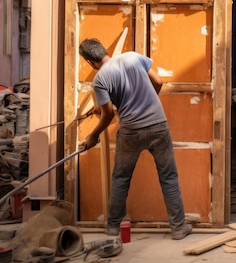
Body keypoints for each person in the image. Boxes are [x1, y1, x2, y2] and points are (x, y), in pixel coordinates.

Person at [78, 38, 192, 240]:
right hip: (158, 125)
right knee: (169, 178)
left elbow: (108, 115)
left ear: (89, 62)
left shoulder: (100, 80)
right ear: (103, 50)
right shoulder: (132, 57)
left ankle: (113, 227)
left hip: (130, 131)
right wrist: (150, 100)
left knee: (121, 179)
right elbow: (158, 82)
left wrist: (93, 135)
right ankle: (178, 228)